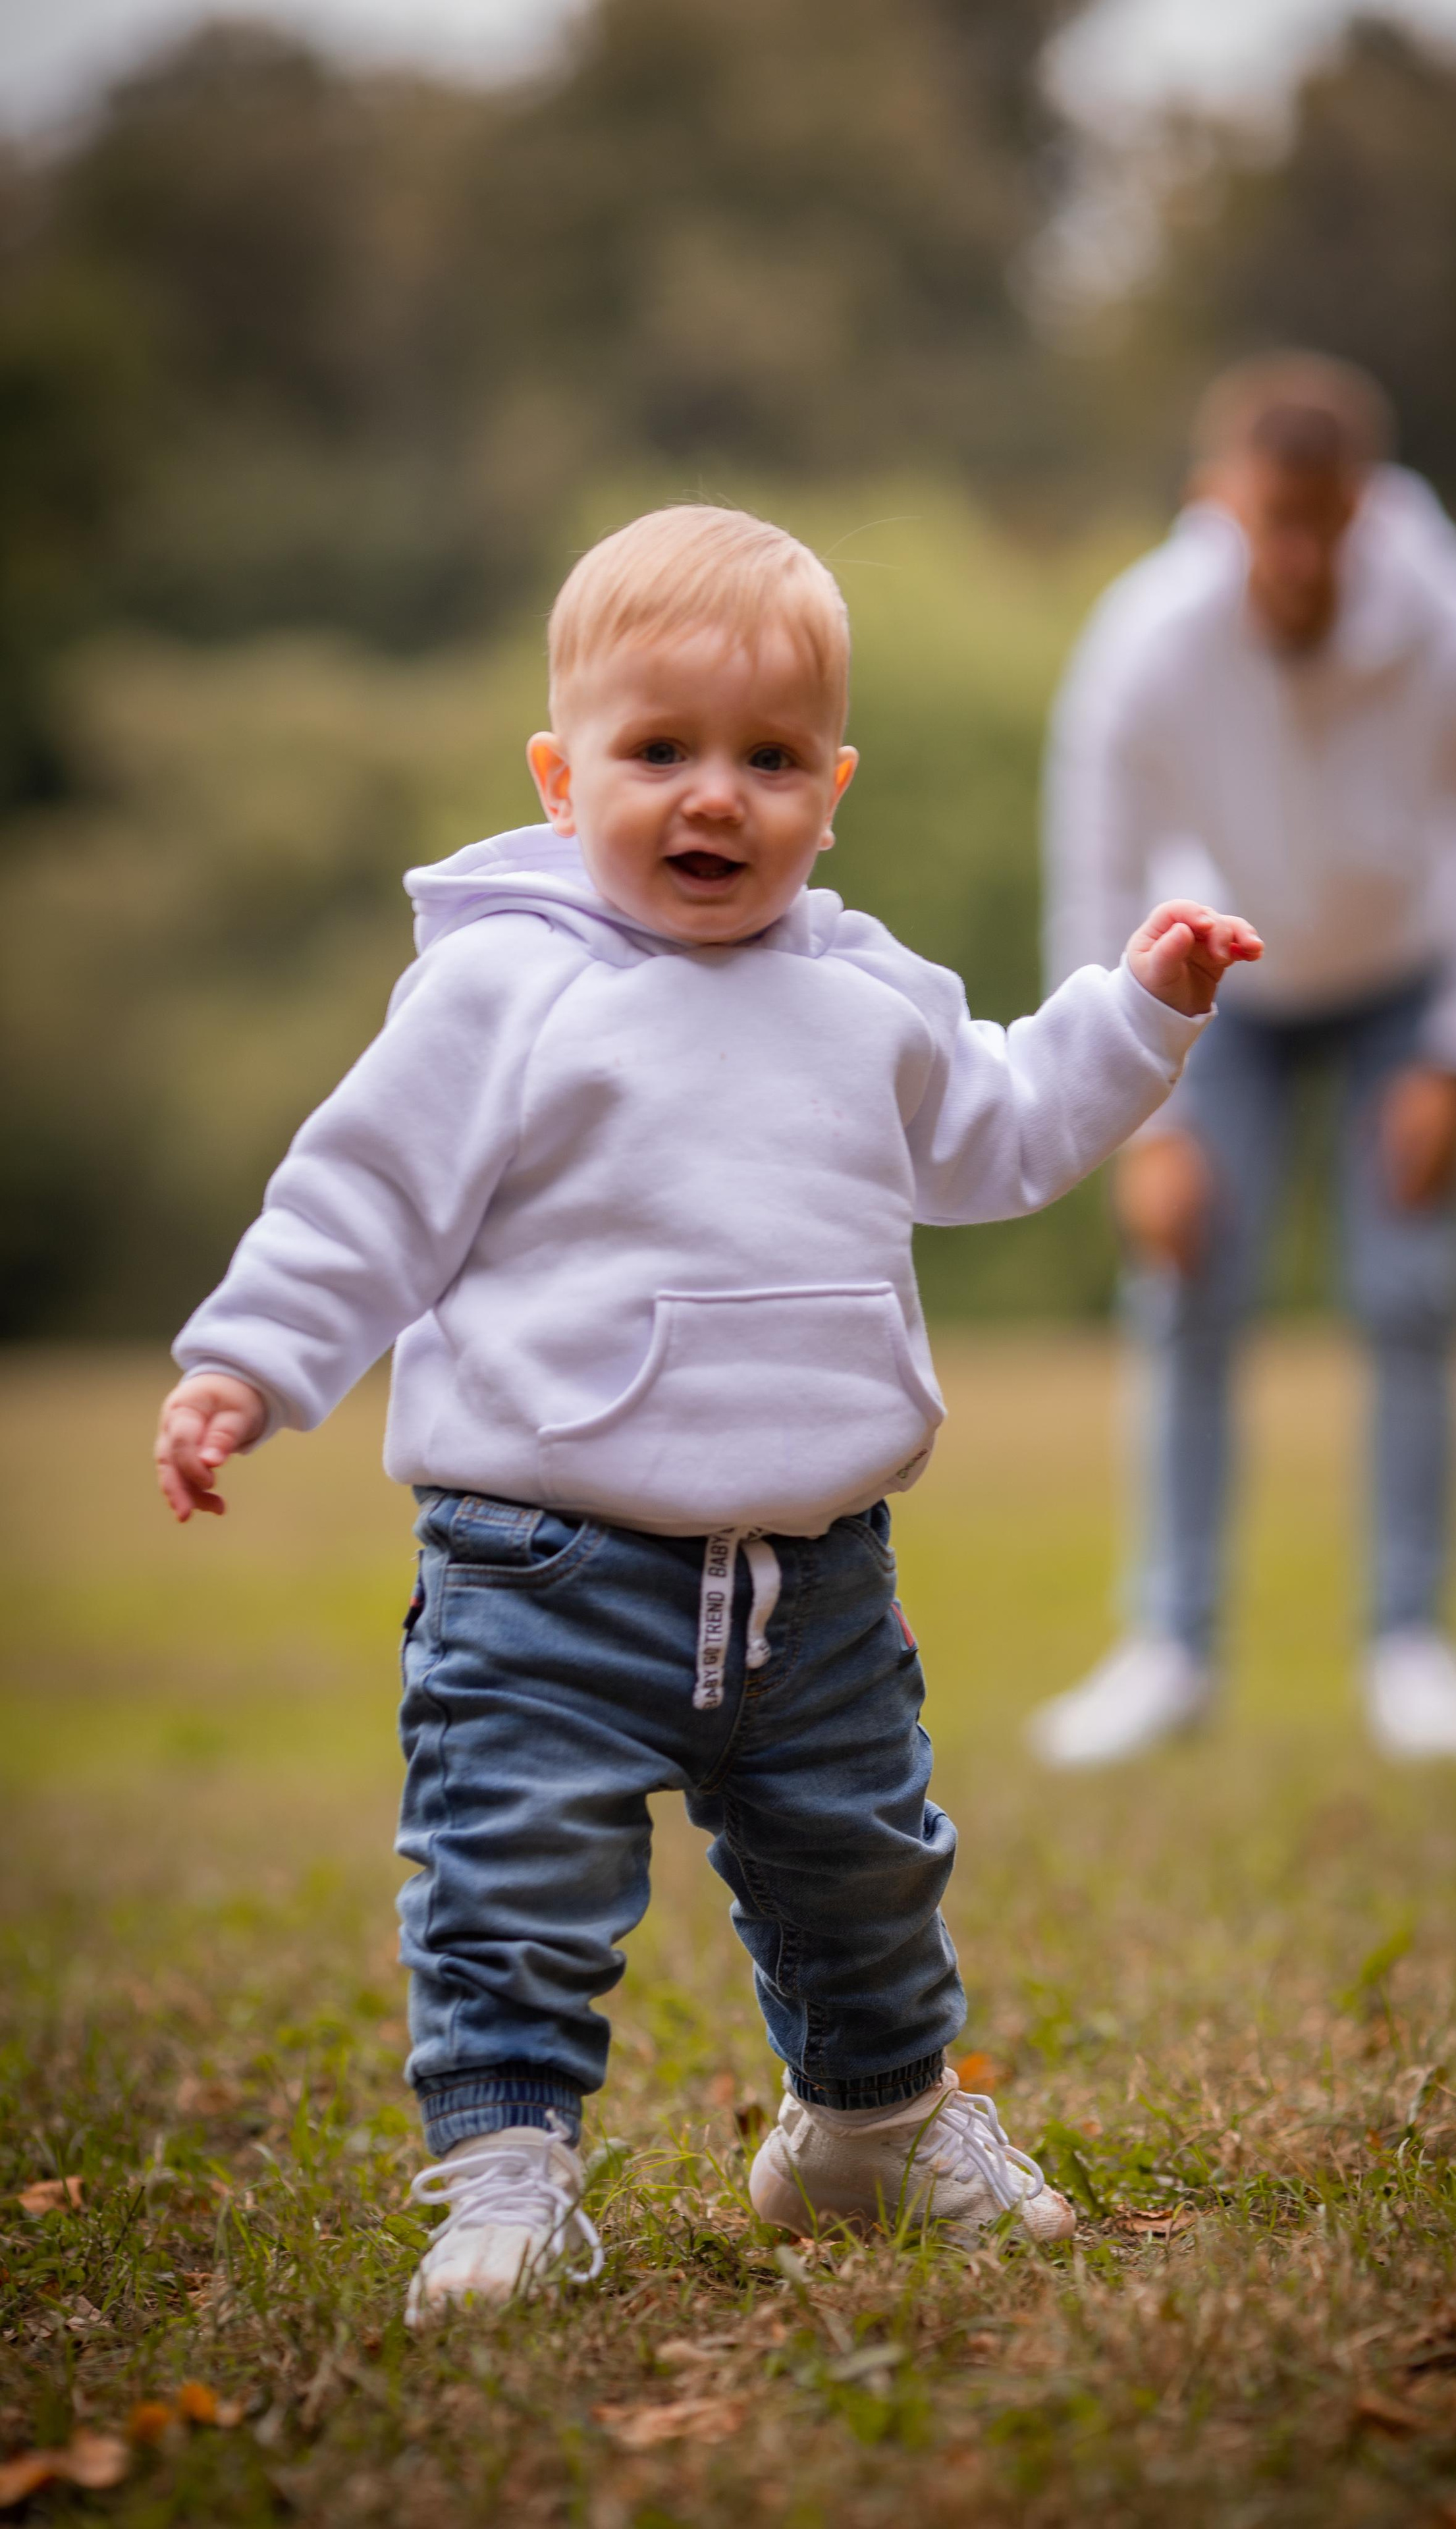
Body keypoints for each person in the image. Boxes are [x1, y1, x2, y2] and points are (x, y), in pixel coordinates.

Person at [152, 505, 1262, 2320]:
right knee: (513, 1875)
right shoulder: (508, 987)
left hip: (814, 1577)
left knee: (864, 1872)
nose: (712, 798)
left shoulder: (862, 996)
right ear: (561, 767)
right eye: (658, 751)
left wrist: (1141, 1007)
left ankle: (872, 2129)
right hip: (544, 1565)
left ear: (831, 788)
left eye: (763, 761)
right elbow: (363, 1195)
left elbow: (1000, 1126)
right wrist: (247, 1363)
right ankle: (506, 2178)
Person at [1028, 354, 1456, 1772]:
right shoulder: (1144, 640)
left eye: (1319, 528)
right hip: (1224, 972)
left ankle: (1410, 1645)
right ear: (1217, 503)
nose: (1291, 558)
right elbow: (1090, 882)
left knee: (1405, 1296)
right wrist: (1130, 1119)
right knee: (1185, 1293)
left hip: (1411, 978)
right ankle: (1169, 1646)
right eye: (1265, 524)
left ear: (1365, 512)